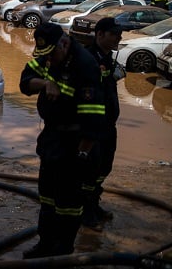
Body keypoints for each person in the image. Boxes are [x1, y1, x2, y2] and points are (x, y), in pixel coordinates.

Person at [19, 23, 106, 259]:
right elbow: (25, 81)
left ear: (65, 44)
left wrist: (82, 155)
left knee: (68, 204)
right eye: (45, 56)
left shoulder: (85, 65)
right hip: (52, 138)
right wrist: (46, 83)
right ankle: (45, 245)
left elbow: (94, 121)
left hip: (75, 142)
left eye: (52, 54)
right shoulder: (50, 55)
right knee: (47, 196)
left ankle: (64, 251)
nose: (49, 60)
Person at [81, 17, 125, 230]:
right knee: (89, 172)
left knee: (103, 169)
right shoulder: (88, 58)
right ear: (100, 35)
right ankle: (86, 214)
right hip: (93, 129)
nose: (119, 38)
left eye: (119, 34)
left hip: (108, 126)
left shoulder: (108, 58)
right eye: (114, 34)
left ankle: (94, 205)